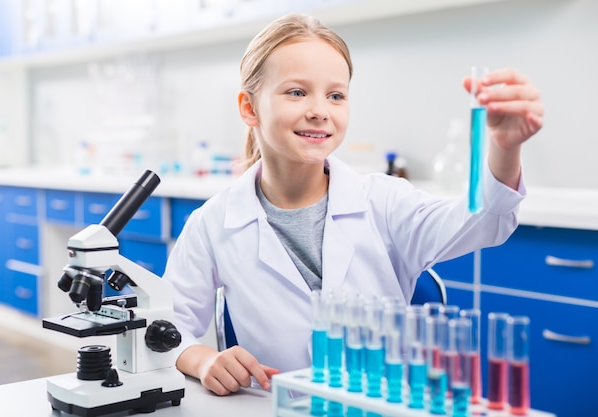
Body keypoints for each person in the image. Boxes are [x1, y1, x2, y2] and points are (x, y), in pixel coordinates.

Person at [162, 13, 543, 396]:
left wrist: (504, 149)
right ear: (249, 108)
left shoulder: (385, 201)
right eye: (297, 92)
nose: (319, 110)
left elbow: (484, 222)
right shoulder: (211, 223)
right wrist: (205, 359)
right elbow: (166, 327)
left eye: (336, 95)